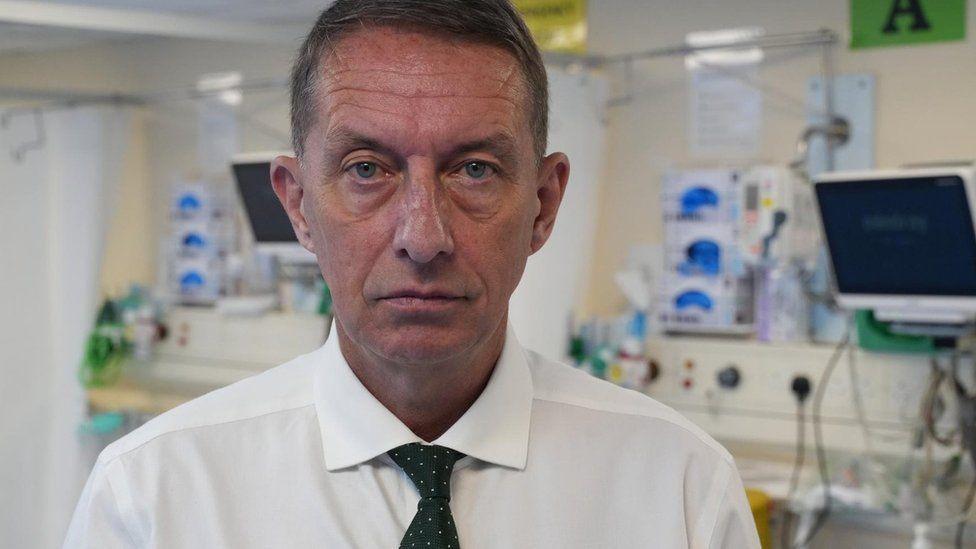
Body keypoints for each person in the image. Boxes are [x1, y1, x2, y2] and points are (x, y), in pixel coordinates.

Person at [64, 1, 760, 547]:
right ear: (298, 204)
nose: (423, 237)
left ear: (544, 204)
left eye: (475, 170)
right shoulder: (155, 497)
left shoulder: (680, 490)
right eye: (367, 169)